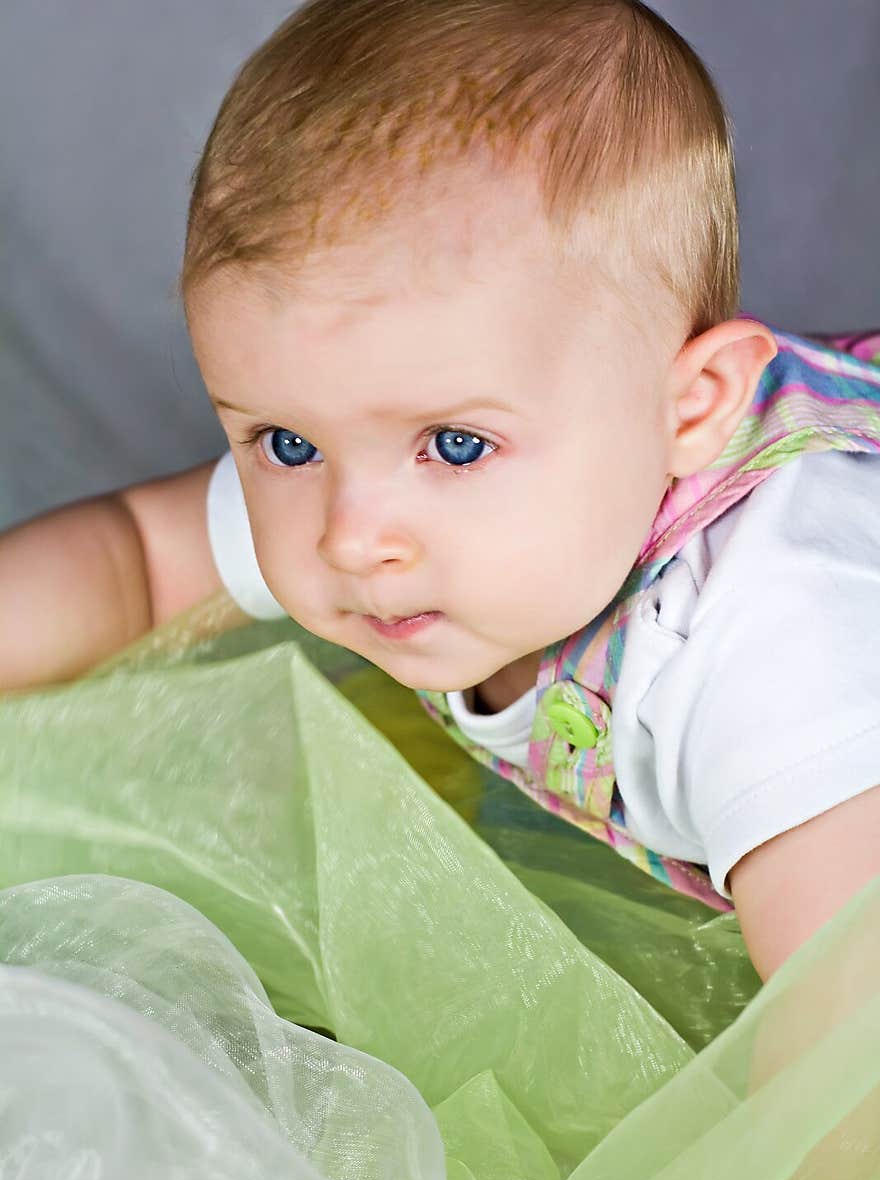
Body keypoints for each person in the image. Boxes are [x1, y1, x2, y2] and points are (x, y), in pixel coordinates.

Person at [2, 0, 878, 983]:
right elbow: (134, 557)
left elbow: (844, 1047)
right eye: (284, 441)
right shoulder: (367, 480)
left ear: (687, 411)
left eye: (456, 445)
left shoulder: (778, 641)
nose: (349, 538)